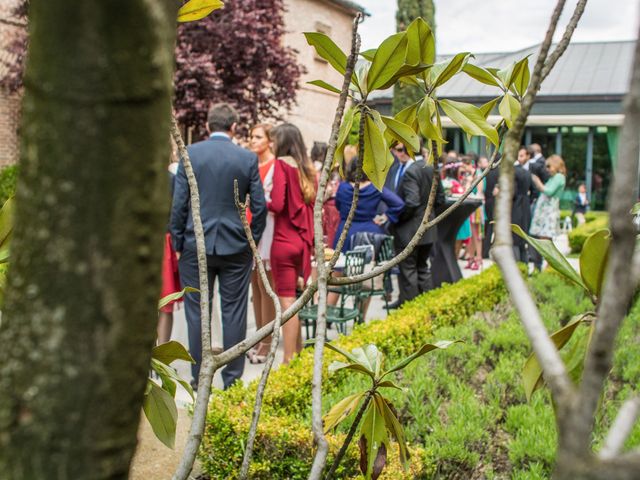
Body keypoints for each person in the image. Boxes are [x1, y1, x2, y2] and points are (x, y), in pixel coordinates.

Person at [170, 103, 267, 390]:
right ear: (234, 127)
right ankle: (232, 380)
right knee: (234, 312)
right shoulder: (247, 158)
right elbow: (259, 207)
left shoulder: (192, 154)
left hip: (193, 244)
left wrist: (177, 240)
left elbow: (179, 205)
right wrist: (252, 241)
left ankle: (200, 379)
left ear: (208, 126)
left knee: (197, 311)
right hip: (236, 245)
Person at [268, 123, 316, 364]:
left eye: (274, 141)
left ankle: (288, 360)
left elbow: (277, 204)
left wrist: (258, 202)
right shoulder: (307, 169)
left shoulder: (281, 166)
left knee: (286, 301)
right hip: (303, 242)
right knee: (295, 299)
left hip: (283, 240)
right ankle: (297, 356)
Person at [391, 152, 445, 307]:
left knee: (409, 273)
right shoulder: (431, 168)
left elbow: (412, 202)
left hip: (410, 230)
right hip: (427, 229)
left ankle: (411, 309)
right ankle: (425, 306)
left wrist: (398, 220)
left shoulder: (411, 171)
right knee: (422, 269)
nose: (398, 152)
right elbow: (440, 198)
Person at [247, 123, 276, 364]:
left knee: (267, 285)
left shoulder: (274, 166)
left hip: (268, 230)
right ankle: (258, 336)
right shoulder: (250, 165)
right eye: (251, 137)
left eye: (258, 137)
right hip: (249, 230)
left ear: (269, 140)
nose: (253, 141)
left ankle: (267, 341)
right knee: (254, 284)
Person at [333, 159, 405, 253]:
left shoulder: (343, 187)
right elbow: (399, 204)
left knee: (342, 264)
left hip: (345, 232)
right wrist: (385, 216)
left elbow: (337, 205)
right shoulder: (375, 187)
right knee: (372, 266)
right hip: (370, 233)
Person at [158, 155, 182, 344]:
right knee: (165, 304)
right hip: (165, 242)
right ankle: (160, 357)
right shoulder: (171, 179)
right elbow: (177, 213)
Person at [529, 154, 567, 270]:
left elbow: (549, 191)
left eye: (549, 166)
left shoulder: (559, 177)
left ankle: (549, 267)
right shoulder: (553, 178)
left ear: (556, 165)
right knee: (540, 240)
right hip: (543, 212)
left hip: (549, 212)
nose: (547, 169)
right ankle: (539, 267)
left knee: (546, 240)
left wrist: (537, 181)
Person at [512, 147, 534, 262]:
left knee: (514, 237)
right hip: (525, 204)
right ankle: (524, 264)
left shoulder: (513, 171)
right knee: (523, 237)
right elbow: (534, 192)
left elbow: (513, 192)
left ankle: (517, 265)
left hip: (515, 205)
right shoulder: (528, 173)